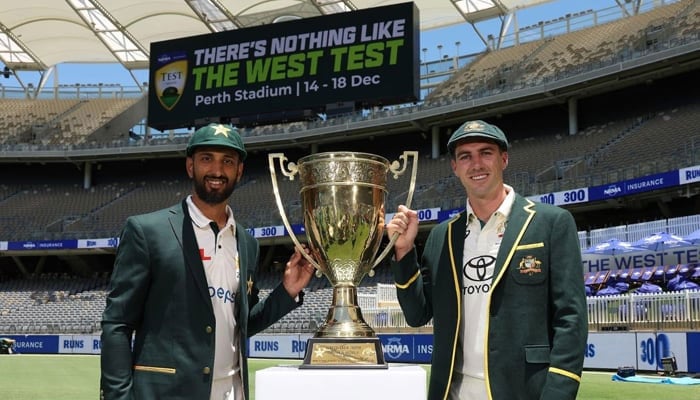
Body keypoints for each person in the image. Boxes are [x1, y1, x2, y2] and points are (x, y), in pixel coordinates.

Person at [100, 123, 315, 400]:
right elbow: (117, 323)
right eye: (206, 159)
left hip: (231, 392)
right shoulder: (148, 231)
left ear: (239, 171)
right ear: (190, 166)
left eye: (227, 161)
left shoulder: (247, 243)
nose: (217, 170)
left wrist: (287, 291)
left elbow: (241, 323)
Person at [386, 120, 588, 400]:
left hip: (523, 391)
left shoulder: (551, 223)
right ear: (455, 167)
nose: (476, 164)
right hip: (452, 393)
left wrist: (558, 393)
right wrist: (404, 252)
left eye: (486, 152)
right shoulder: (441, 236)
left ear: (504, 159)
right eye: (465, 156)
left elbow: (571, 319)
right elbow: (417, 314)